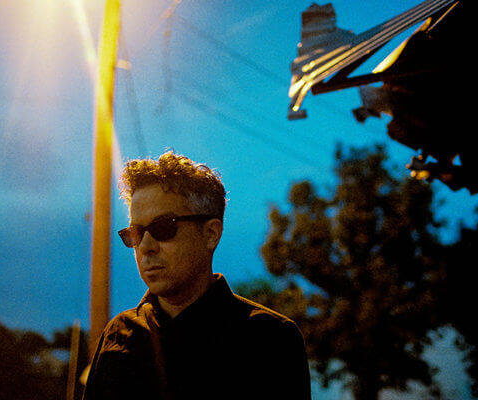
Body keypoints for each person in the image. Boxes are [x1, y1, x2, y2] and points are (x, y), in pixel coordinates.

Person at [83, 151, 311, 400]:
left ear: (211, 233)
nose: (146, 246)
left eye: (164, 227)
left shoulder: (269, 339)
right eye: (136, 233)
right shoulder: (118, 335)